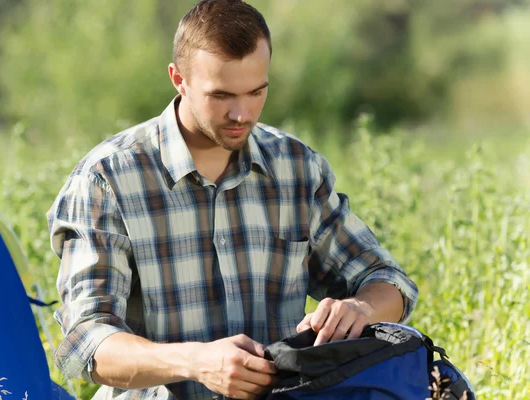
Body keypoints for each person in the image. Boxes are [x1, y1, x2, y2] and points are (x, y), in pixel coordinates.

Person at [47, 1, 419, 399]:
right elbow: (86, 343)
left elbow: (389, 282)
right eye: (221, 95)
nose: (242, 114)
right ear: (179, 79)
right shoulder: (107, 180)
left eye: (257, 92)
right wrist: (195, 362)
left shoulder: (296, 169)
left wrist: (360, 310)